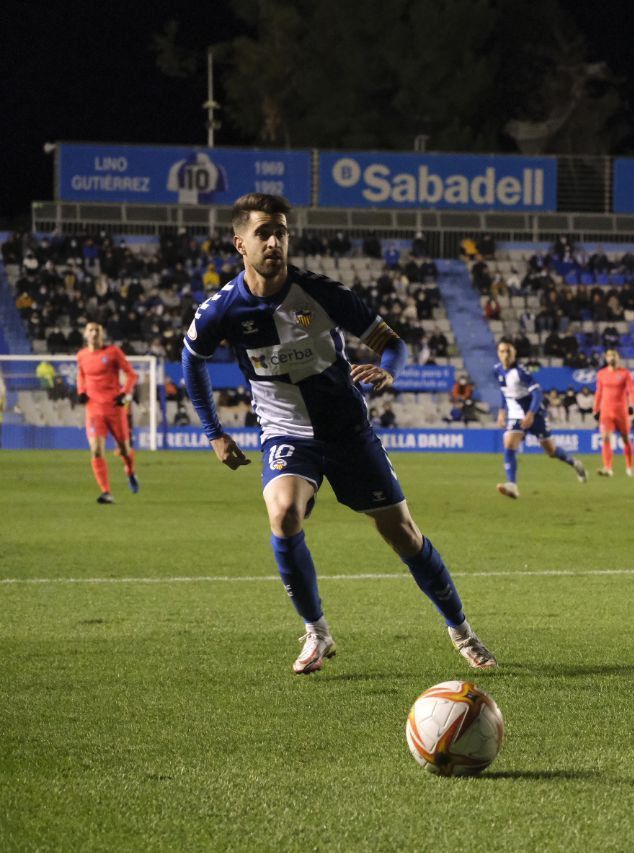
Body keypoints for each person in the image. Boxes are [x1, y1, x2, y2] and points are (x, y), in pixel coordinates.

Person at [181, 192, 494, 675]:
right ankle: (317, 633)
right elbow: (192, 361)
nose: (274, 241)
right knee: (284, 514)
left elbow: (391, 343)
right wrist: (214, 432)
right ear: (239, 243)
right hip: (287, 433)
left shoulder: (322, 293)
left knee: (404, 535)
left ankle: (461, 630)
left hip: (348, 431)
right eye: (263, 232)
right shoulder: (221, 309)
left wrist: (390, 370)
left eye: (281, 231)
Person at [492, 337, 587, 499]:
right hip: (516, 415)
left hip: (535, 414)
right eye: (502, 351)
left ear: (514, 352)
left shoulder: (520, 372)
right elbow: (505, 392)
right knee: (509, 443)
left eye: (508, 351)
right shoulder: (497, 370)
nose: (506, 354)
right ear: (498, 353)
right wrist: (502, 411)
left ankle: (575, 463)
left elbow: (537, 393)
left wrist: (531, 414)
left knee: (551, 451)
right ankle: (512, 485)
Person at [75, 322, 140, 503]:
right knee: (96, 450)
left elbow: (132, 375)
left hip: (114, 408)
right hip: (94, 409)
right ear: (85, 334)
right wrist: (81, 391)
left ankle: (130, 471)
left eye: (97, 330)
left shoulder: (113, 352)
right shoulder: (81, 356)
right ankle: (106, 492)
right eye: (91, 330)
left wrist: (124, 393)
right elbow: (81, 375)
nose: (94, 333)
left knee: (124, 450)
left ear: (102, 334)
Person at [593, 348, 634, 476]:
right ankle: (607, 468)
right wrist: (595, 408)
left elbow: (631, 391)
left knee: (626, 439)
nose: (611, 358)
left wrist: (632, 404)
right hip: (606, 411)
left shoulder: (625, 373)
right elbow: (598, 392)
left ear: (618, 358)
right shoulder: (601, 374)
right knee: (605, 438)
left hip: (621, 411)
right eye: (609, 356)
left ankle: (630, 467)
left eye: (613, 355)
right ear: (606, 358)